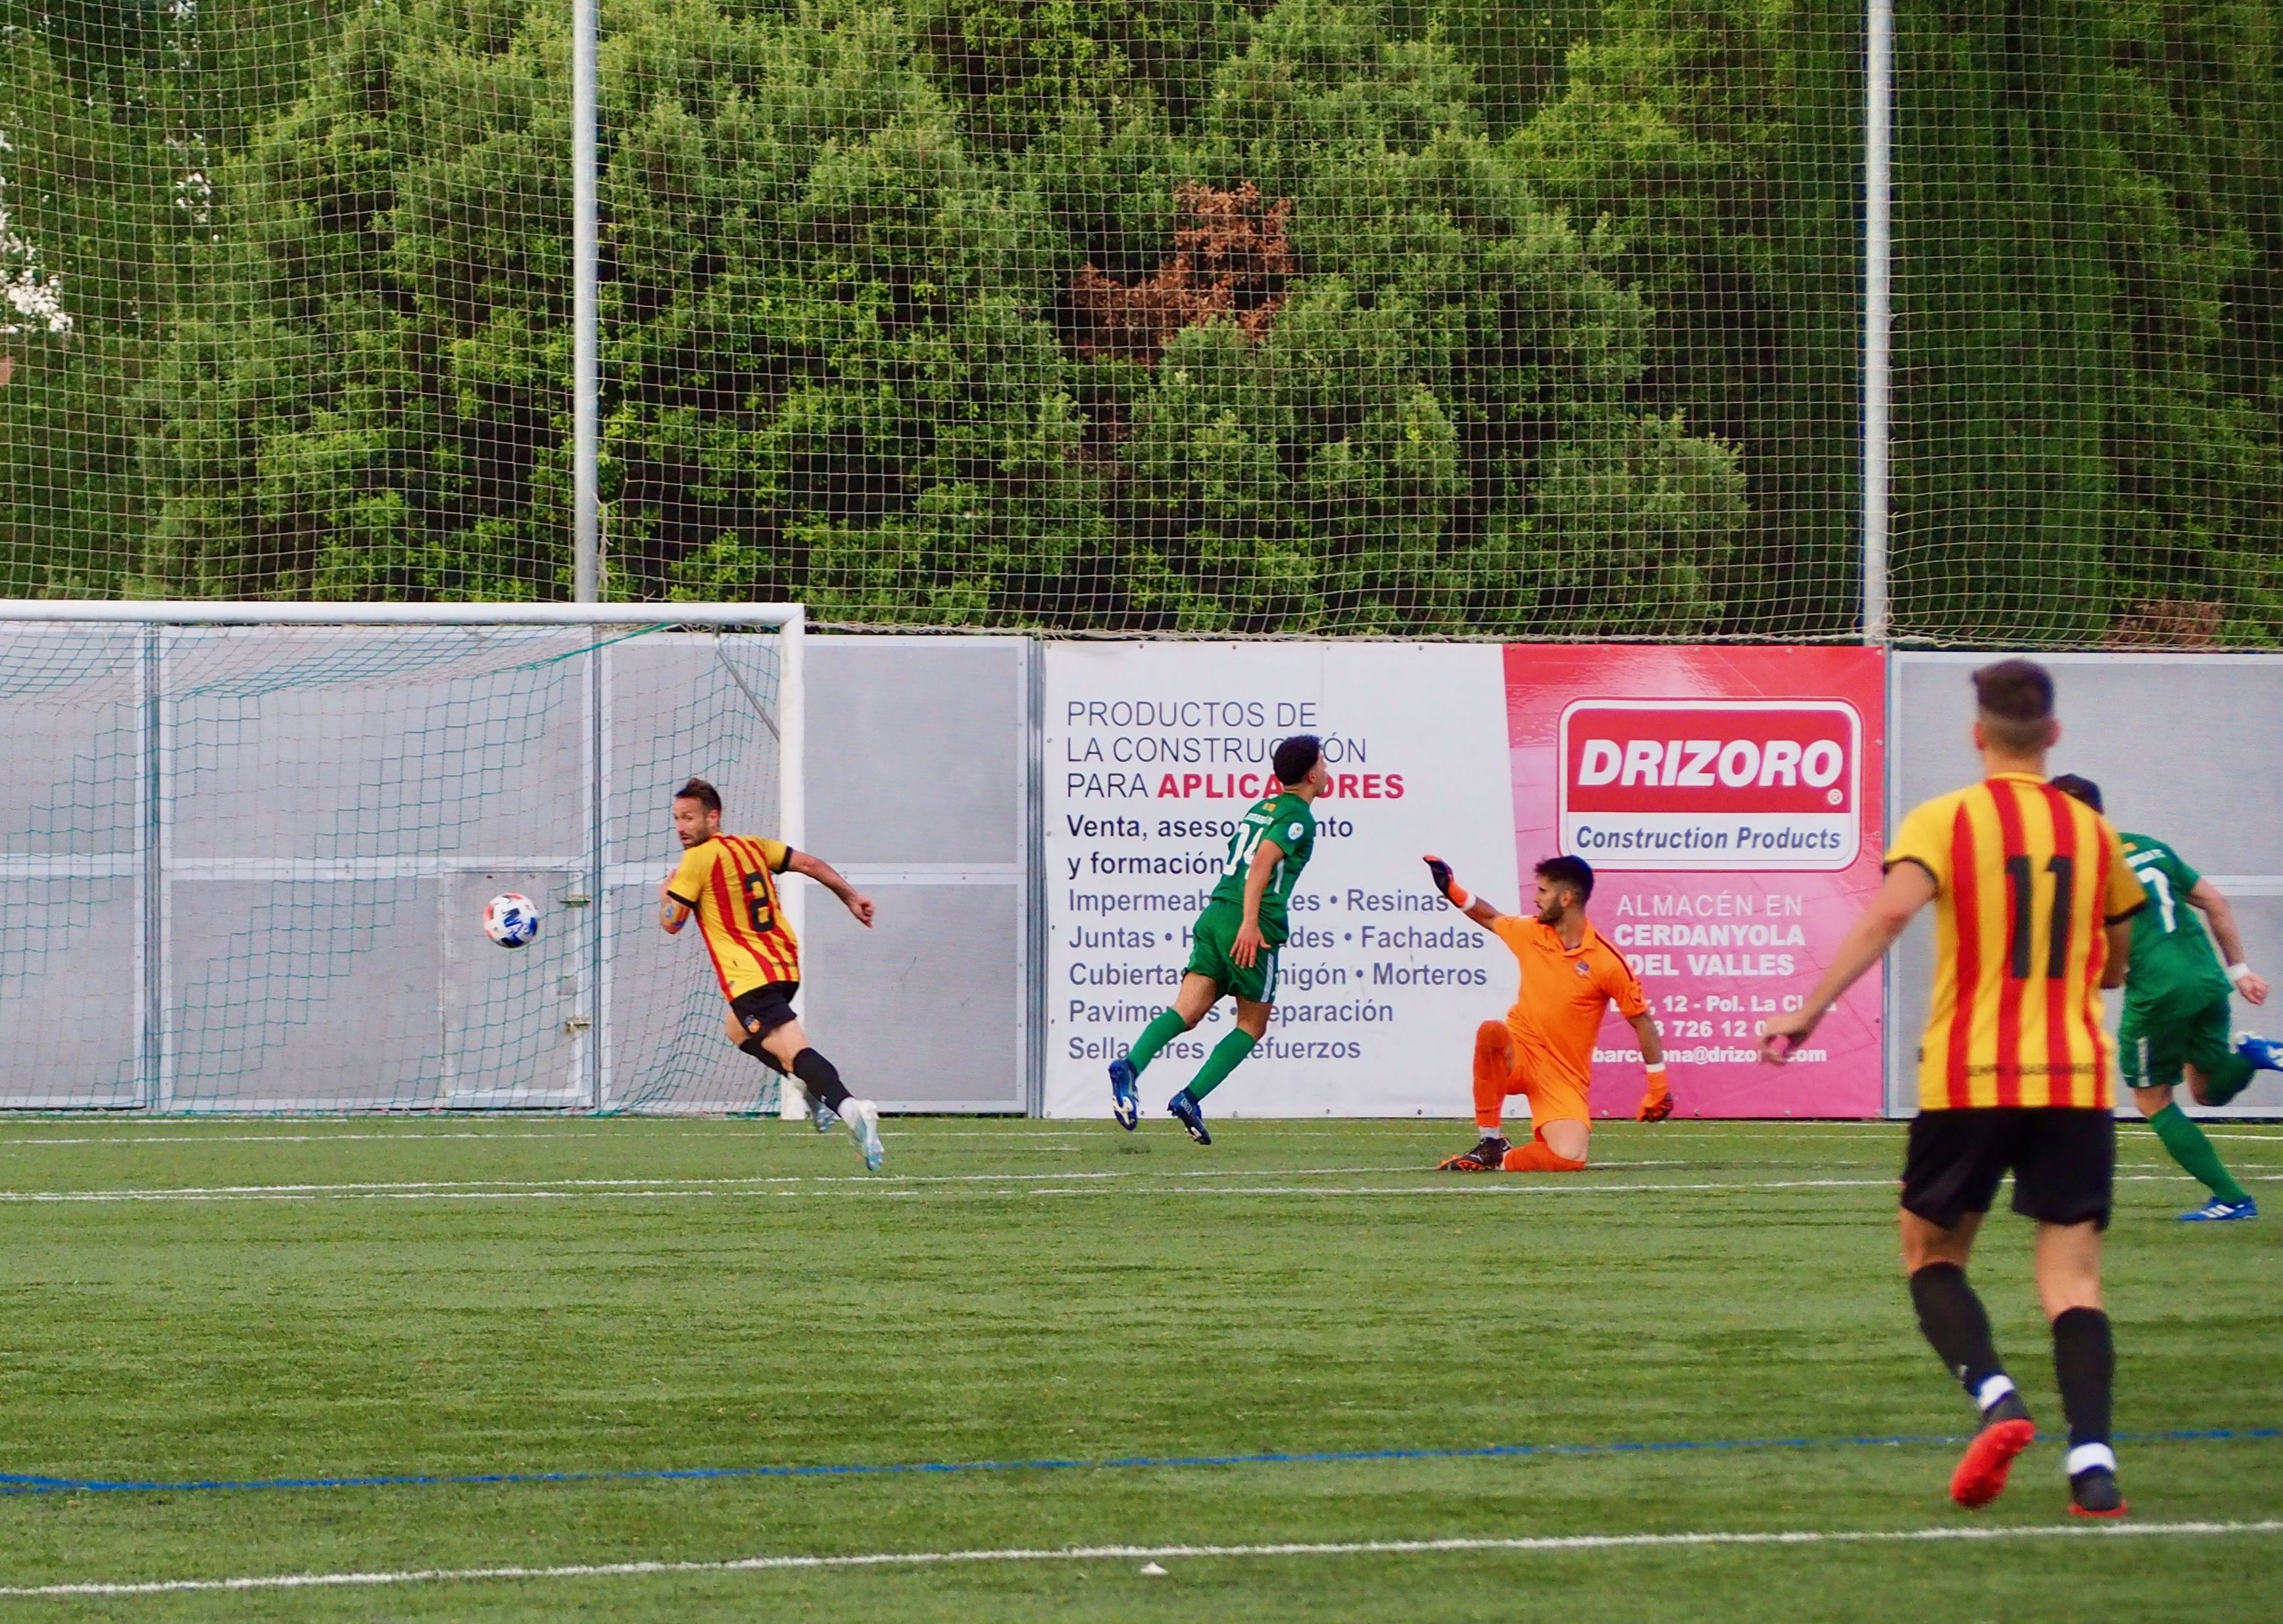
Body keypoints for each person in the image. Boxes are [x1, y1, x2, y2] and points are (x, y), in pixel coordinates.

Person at [1759, 659, 2143, 1518]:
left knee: (1930, 1256)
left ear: (1977, 734)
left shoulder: (1943, 820)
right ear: (2052, 735)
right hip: (2075, 1081)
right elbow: (2115, 961)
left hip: (1971, 1075)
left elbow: (1889, 913)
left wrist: (1808, 1011)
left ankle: (1996, 1396)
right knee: (2073, 1281)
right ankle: (2091, 1461)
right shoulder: (2093, 835)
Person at [2050, 775, 2282, 1221]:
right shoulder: (2148, 846)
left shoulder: (2078, 870)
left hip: (2158, 993)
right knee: (2206, 1092)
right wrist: (2240, 971)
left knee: (2152, 1098)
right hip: (2206, 980)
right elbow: (2214, 901)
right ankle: (2253, 1054)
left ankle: (2233, 1198)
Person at [1108, 735, 1329, 1144]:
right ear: (1313, 774)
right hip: (1250, 924)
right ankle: (1189, 1098)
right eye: (1325, 763)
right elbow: (1262, 863)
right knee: (1251, 1025)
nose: (1329, 770)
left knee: (1187, 1012)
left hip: (1214, 915)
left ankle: (1131, 1066)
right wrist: (1250, 923)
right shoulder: (1299, 816)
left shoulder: (1260, 809)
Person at [658, 776, 886, 1170]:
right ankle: (809, 1089)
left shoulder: (696, 861)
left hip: (750, 977)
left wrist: (668, 889)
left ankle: (852, 1109)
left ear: (713, 818)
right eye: (677, 818)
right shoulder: (752, 847)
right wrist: (851, 897)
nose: (681, 827)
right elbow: (810, 864)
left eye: (690, 818)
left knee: (794, 1050)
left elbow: (671, 922)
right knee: (736, 1029)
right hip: (783, 966)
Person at [1425, 854, 1668, 1171]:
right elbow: (1490, 917)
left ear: (1565, 898)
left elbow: (1642, 1022)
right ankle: (1489, 1141)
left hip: (1562, 1073)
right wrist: (1451, 889)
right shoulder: (1532, 933)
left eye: (1542, 891)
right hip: (1520, 1054)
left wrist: (1658, 1087)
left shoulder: (1607, 962)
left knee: (1568, 1158)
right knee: (1491, 1032)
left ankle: (1502, 1158)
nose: (1536, 899)